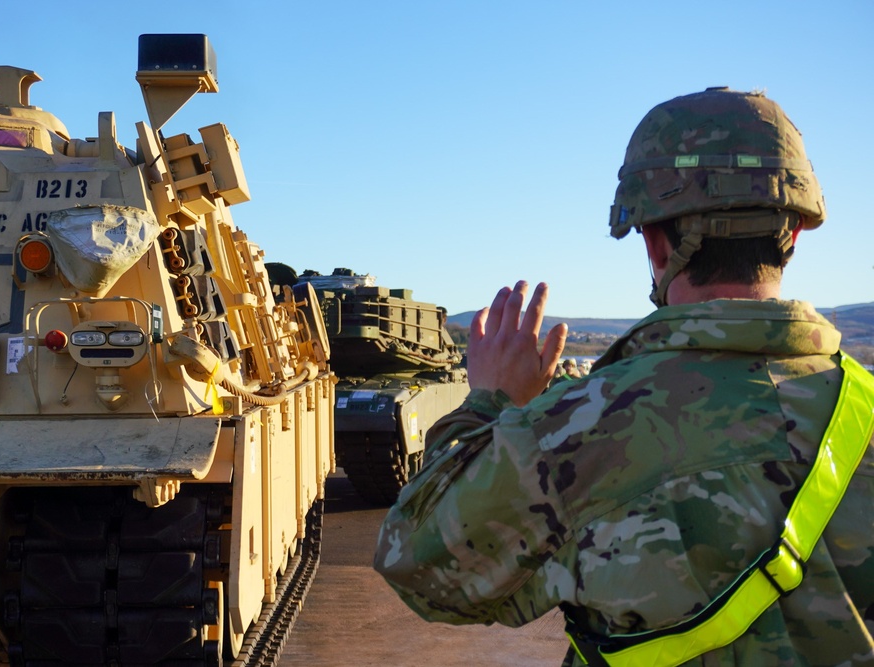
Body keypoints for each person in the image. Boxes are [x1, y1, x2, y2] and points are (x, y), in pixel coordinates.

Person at [373, 87, 874, 666]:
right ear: (796, 231)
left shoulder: (577, 432)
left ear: (656, 240)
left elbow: (415, 561)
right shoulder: (861, 405)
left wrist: (489, 405)